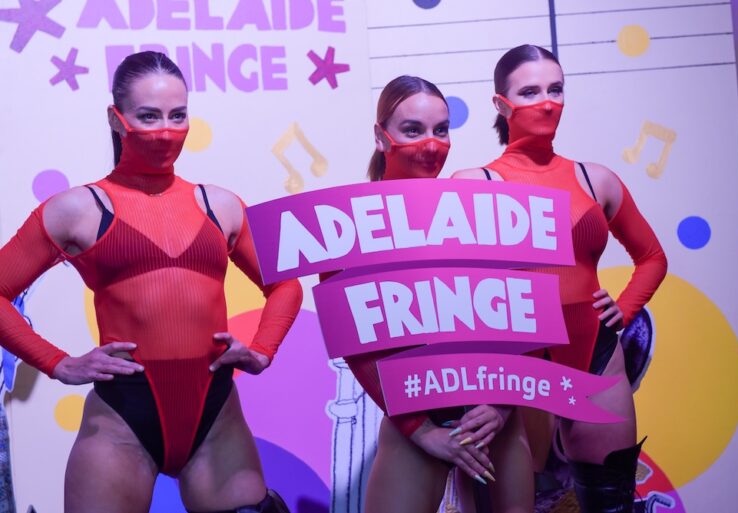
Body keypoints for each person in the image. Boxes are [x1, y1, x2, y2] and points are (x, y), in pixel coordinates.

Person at [0, 51, 302, 513]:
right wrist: (58, 364)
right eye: (148, 116)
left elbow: (285, 284)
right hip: (121, 421)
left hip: (216, 419)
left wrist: (263, 349)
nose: (165, 130)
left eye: (177, 115)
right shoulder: (76, 209)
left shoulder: (221, 205)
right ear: (116, 119)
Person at [453, 44, 668, 512]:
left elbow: (652, 257)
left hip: (594, 357)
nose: (547, 102)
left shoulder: (597, 180)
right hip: (513, 367)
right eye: (530, 92)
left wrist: (624, 309)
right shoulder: (471, 185)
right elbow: (452, 290)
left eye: (556, 89)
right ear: (501, 104)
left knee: (610, 504)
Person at [342, 75, 533, 513]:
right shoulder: (350, 224)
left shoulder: (483, 208)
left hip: (494, 412)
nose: (431, 144)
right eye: (413, 130)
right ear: (381, 137)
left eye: (441, 129)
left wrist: (501, 406)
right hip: (416, 421)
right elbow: (358, 348)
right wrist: (423, 431)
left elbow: (526, 313)